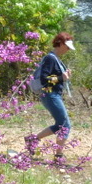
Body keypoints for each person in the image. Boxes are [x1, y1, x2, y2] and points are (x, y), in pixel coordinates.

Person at [32, 32, 75, 161]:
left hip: (53, 95)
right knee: (65, 125)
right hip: (50, 94)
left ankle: (33, 140)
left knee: (61, 124)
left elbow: (53, 77)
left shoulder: (55, 58)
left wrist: (64, 76)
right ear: (60, 43)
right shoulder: (51, 58)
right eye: (67, 47)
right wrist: (61, 77)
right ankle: (58, 155)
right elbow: (45, 79)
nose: (68, 50)